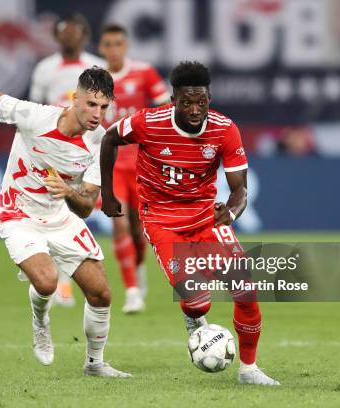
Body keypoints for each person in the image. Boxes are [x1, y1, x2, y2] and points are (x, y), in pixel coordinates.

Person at [0, 67, 131, 378]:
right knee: (46, 281)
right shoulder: (35, 116)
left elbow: (86, 207)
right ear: (74, 98)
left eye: (104, 107)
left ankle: (95, 364)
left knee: (101, 293)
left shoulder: (100, 143)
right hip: (19, 214)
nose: (97, 114)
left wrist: (68, 191)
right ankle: (40, 322)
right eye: (91, 104)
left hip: (61, 217)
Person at [100, 61, 279, 385]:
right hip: (162, 222)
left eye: (201, 101)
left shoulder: (225, 129)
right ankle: (192, 313)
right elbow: (109, 139)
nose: (195, 109)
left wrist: (233, 212)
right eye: (186, 102)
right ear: (173, 101)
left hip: (205, 219)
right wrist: (108, 193)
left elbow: (239, 190)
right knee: (198, 303)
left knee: (246, 291)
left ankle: (249, 370)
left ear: (209, 97)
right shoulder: (148, 123)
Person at [29, 13, 105, 306]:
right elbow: (34, 106)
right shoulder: (44, 69)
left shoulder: (94, 67)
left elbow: (104, 106)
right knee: (53, 209)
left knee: (77, 207)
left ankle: (62, 280)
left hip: (85, 148)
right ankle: (56, 280)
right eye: (64, 33)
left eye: (74, 33)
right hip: (52, 146)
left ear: (84, 36)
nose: (69, 37)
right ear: (57, 36)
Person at [98, 23, 170, 314]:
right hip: (111, 163)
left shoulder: (144, 72)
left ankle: (138, 270)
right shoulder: (94, 78)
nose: (113, 49)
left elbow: (167, 108)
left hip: (142, 165)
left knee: (140, 231)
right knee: (119, 223)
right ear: (101, 48)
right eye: (108, 44)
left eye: (118, 43)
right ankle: (131, 292)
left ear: (125, 46)